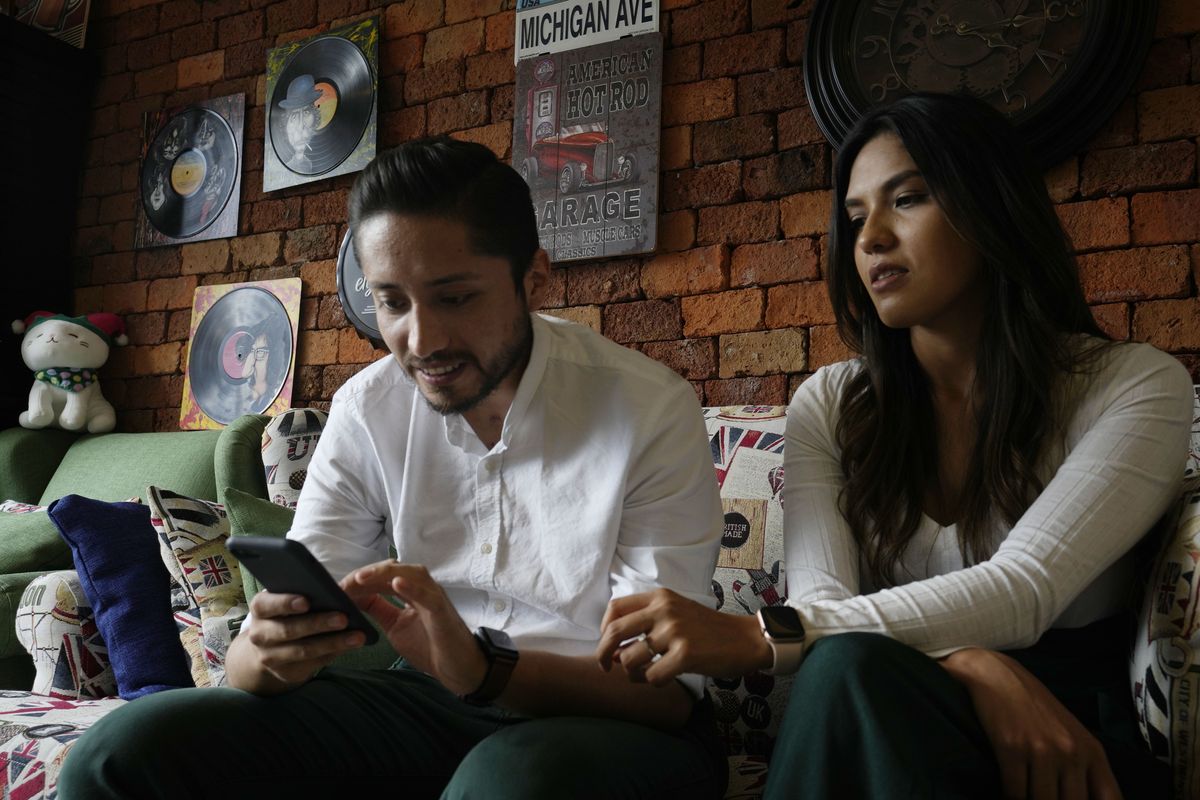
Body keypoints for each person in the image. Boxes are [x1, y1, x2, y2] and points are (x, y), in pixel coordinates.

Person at [58, 137, 728, 799]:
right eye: (393, 303)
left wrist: (485, 670)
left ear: (534, 279)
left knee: (508, 782)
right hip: (432, 703)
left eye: (455, 298)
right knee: (122, 752)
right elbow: (264, 653)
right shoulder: (368, 407)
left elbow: (665, 694)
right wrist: (262, 651)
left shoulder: (648, 408)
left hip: (613, 717)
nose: (421, 341)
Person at [596, 93, 1194, 800]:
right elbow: (825, 601)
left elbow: (1026, 590)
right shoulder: (832, 402)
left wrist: (760, 636)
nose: (872, 238)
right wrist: (968, 661)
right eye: (855, 219)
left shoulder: (1135, 386)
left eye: (907, 199)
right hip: (882, 706)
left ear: (992, 205)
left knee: (847, 670)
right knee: (846, 672)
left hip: (1062, 746)